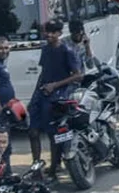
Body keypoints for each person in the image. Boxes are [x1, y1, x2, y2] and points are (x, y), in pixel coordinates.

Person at [27, 20, 83, 180]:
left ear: (59, 33)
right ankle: (36, 166)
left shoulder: (67, 51)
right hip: (42, 93)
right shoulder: (45, 49)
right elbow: (43, 73)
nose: (49, 35)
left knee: (53, 133)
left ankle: (54, 167)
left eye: (53, 32)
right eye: (47, 32)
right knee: (33, 131)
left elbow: (78, 75)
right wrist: (34, 96)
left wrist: (55, 85)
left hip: (58, 96)